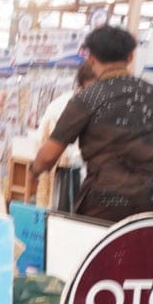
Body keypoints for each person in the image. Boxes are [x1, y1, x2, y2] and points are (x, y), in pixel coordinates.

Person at [30, 26, 153, 222]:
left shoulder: (88, 97)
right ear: (130, 56)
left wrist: (34, 172)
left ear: (91, 58)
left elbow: (48, 156)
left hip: (106, 201)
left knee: (100, 243)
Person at [34, 60, 96, 211]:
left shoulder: (60, 104)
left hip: (78, 186)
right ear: (81, 86)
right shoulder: (63, 106)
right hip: (67, 183)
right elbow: (44, 149)